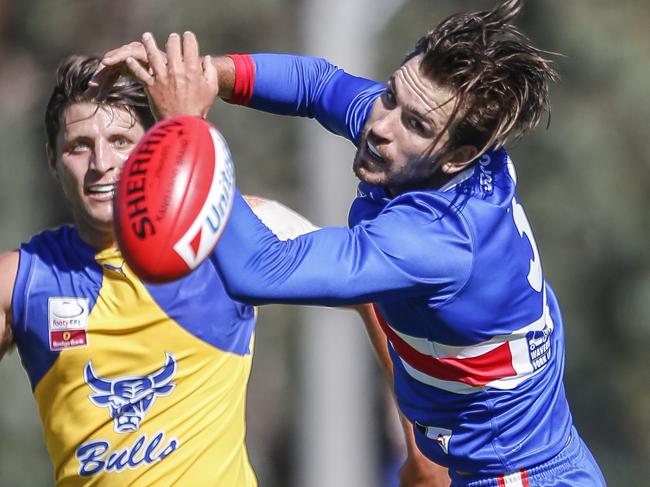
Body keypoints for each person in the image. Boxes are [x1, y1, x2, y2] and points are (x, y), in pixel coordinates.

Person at [96, 1, 608, 485]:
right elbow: (317, 84)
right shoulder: (428, 139)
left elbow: (262, 270)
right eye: (390, 95)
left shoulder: (434, 239)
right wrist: (198, 77)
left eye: (415, 123)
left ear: (458, 156)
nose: (380, 125)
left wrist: (186, 128)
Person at [0, 45, 358, 486]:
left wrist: (422, 443)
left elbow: (368, 287)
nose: (101, 164)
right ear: (54, 163)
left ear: (153, 150)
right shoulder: (22, 279)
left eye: (120, 142)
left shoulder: (231, 233)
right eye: (79, 146)